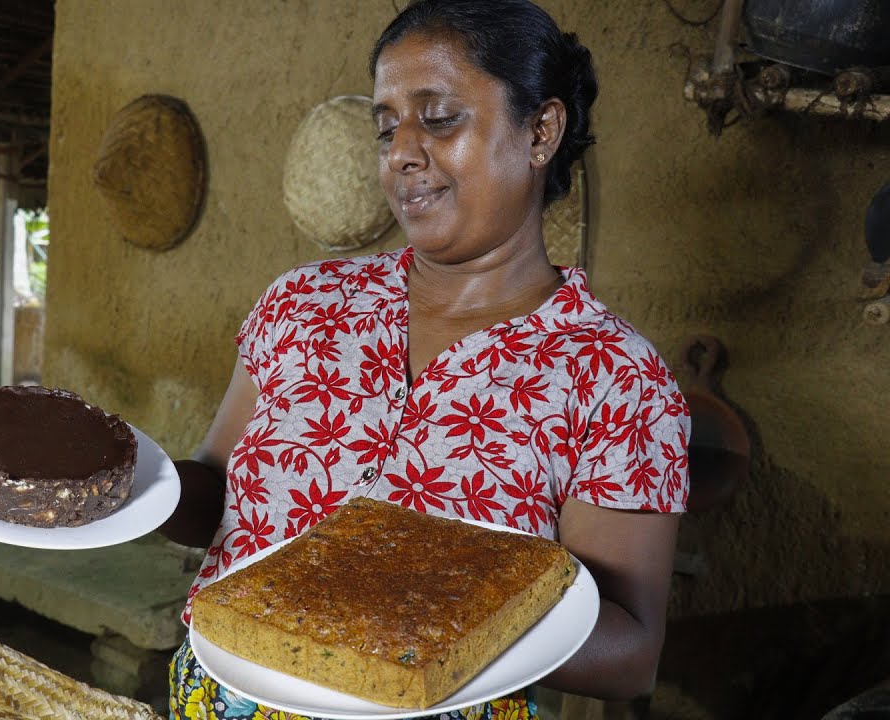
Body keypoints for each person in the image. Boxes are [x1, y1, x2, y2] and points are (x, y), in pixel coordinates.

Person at [160, 0, 689, 717]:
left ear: (541, 131)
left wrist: (420, 627)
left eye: (438, 118)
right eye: (386, 127)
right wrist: (133, 490)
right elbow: (217, 495)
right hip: (219, 697)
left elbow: (632, 653)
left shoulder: (614, 378)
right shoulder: (302, 304)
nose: (402, 152)